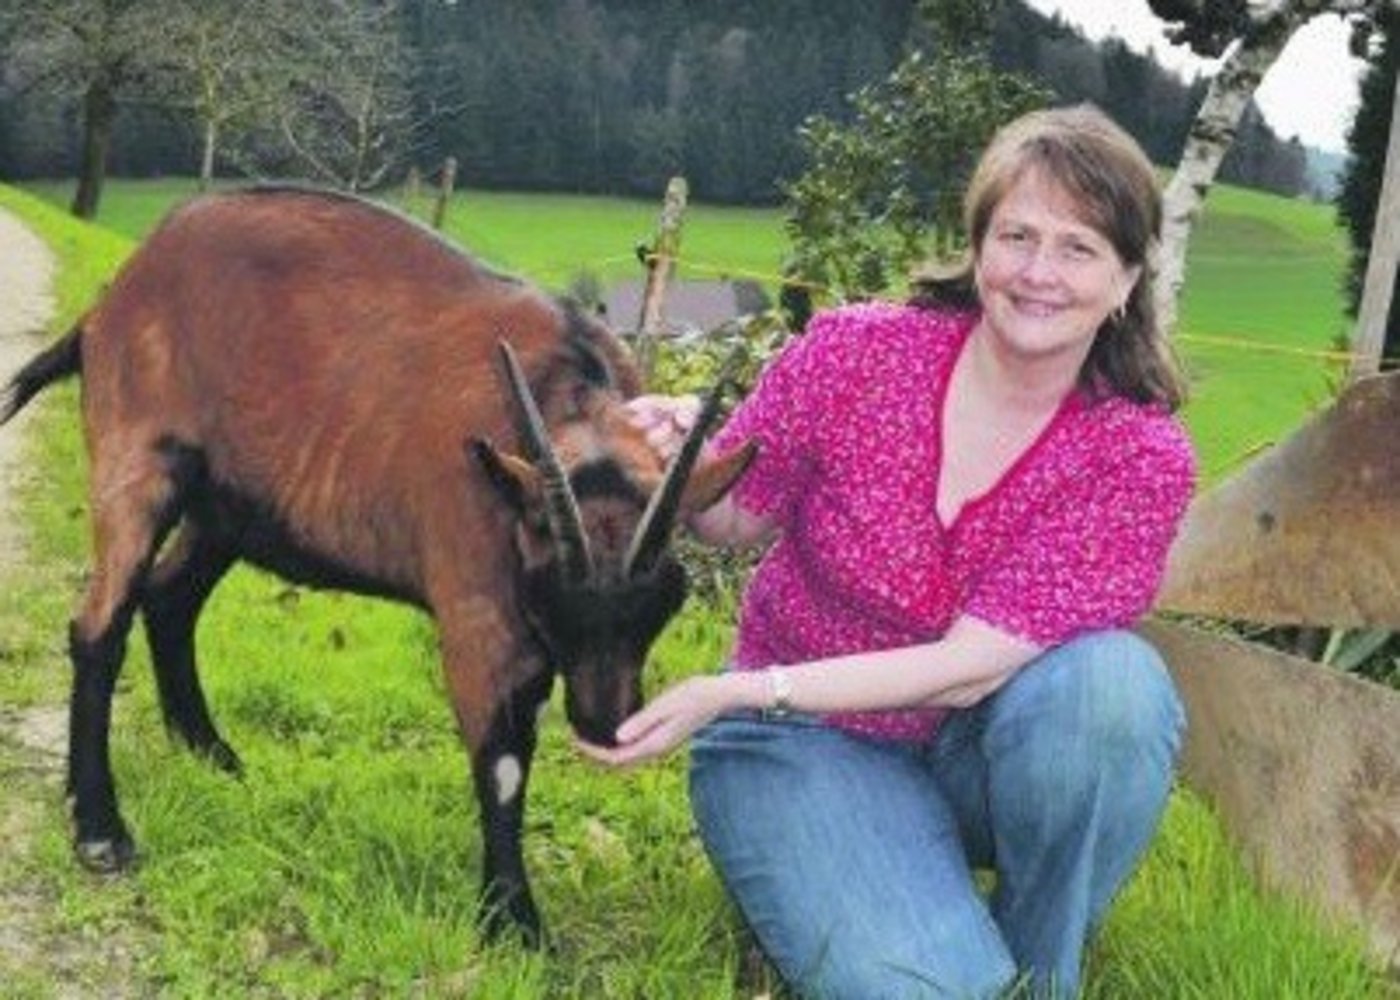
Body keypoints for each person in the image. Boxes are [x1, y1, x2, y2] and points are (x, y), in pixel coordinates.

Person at [580, 104, 1195, 999]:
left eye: (1078, 248)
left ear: (1128, 279)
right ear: (977, 246)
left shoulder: (1135, 455)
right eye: (1016, 235)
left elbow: (967, 671)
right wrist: (677, 467)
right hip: (803, 746)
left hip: (980, 753)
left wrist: (735, 689)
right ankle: (884, 903)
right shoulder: (858, 353)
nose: (1037, 273)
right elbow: (735, 519)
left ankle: (1038, 964)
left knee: (1115, 692)